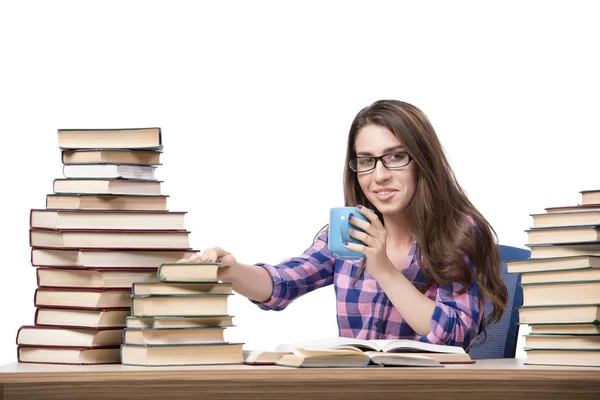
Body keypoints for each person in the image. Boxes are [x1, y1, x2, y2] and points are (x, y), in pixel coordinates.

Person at [182, 100, 507, 350]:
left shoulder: (458, 232)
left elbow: (454, 336)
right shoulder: (349, 229)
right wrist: (231, 270)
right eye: (366, 161)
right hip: (357, 390)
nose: (379, 175)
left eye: (395, 157)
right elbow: (283, 283)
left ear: (422, 160)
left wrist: (382, 269)